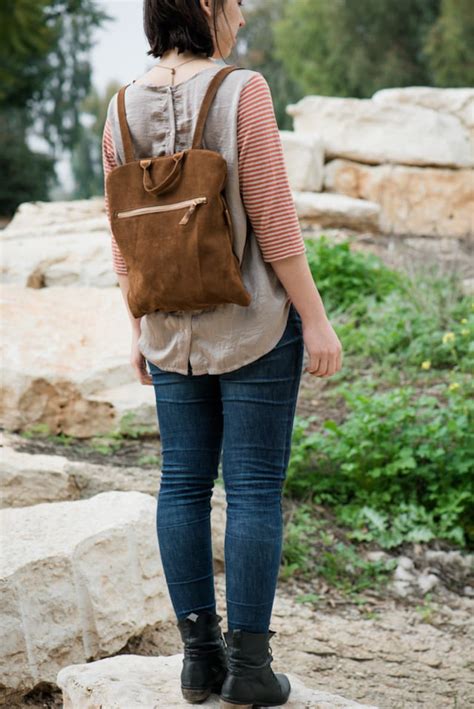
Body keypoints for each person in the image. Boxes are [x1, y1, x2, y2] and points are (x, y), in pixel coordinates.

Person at [102, 1, 343, 706]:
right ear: (205, 5)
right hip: (255, 323)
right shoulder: (244, 90)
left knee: (181, 485)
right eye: (235, 3)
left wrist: (137, 325)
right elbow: (272, 216)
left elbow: (122, 235)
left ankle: (199, 662)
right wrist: (318, 319)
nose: (241, 15)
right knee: (254, 490)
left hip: (170, 327)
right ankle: (251, 669)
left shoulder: (120, 106)